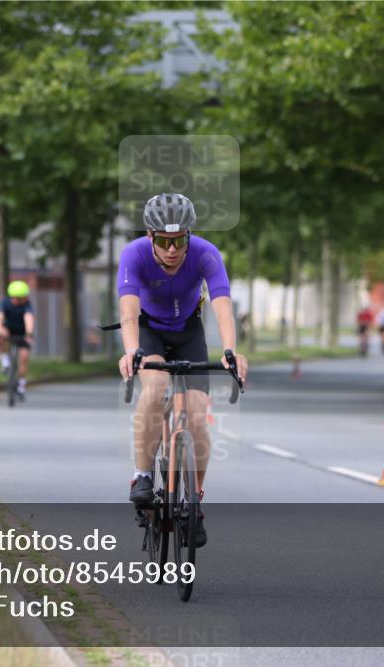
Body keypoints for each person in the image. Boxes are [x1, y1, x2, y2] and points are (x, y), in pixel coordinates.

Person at [117, 192, 249, 549]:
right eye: (164, 240)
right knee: (156, 387)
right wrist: (132, 351)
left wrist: (230, 350)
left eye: (179, 240)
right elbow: (128, 311)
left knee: (195, 412)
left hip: (189, 331)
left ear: (190, 236)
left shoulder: (207, 253)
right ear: (150, 237)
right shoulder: (134, 254)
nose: (172, 249)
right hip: (149, 331)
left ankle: (195, 501)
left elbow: (221, 303)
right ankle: (142, 476)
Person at [0, 280, 34, 397]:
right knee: (0, 337)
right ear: (16, 297)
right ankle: (5, 361)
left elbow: (29, 318)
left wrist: (29, 333)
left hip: (22, 332)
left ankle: (21, 384)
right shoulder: (4, 303)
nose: (26, 298)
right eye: (23, 297)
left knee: (24, 356)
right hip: (7, 330)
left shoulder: (27, 305)